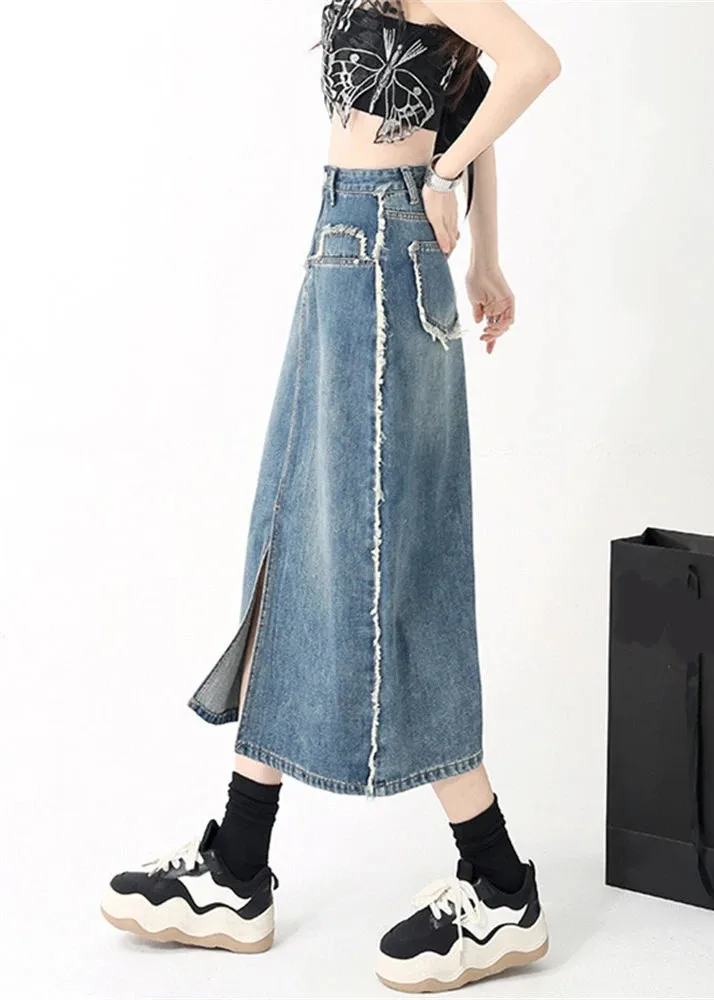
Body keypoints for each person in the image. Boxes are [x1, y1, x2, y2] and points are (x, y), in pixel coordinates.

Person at [99, 1, 561, 992]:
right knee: (290, 542)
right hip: (346, 244)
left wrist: (444, 181)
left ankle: (498, 882)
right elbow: (472, 86)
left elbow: (531, 63)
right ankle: (237, 867)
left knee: (381, 568)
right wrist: (485, 254)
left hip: (383, 251)